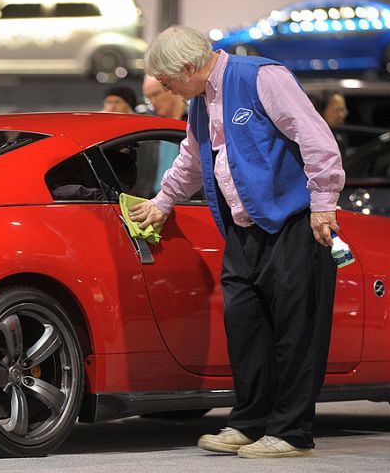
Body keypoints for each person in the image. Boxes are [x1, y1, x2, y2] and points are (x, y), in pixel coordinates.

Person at [128, 25, 344, 459]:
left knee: (295, 331)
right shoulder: (199, 101)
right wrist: (163, 201)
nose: (167, 89)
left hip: (294, 221)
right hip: (245, 230)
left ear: (189, 67)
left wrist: (324, 202)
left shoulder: (261, 77)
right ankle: (250, 422)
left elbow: (315, 136)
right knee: (245, 327)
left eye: (169, 81)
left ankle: (292, 433)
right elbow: (192, 156)